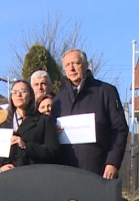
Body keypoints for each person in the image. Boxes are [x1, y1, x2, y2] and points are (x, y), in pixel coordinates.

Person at [52, 49, 128, 178]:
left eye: (76, 63)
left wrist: (112, 162)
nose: (71, 68)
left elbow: (119, 129)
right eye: (67, 65)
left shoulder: (106, 92)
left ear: (86, 65)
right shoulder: (57, 100)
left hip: (100, 172)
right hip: (67, 173)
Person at [0, 81, 58, 172]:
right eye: (15, 92)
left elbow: (52, 150)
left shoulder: (44, 120)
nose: (18, 95)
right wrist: (2, 167)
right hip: (10, 178)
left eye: (23, 91)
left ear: (30, 96)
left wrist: (25, 146)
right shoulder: (5, 125)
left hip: (34, 175)